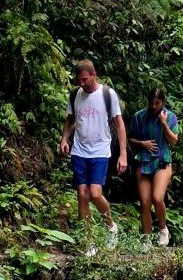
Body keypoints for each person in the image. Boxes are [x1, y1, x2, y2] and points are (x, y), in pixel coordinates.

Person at [59, 60, 127, 256]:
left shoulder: (107, 94)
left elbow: (119, 125)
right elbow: (70, 120)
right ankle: (88, 243)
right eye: (79, 80)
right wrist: (64, 139)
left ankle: (111, 226)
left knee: (95, 194)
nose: (81, 83)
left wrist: (123, 154)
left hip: (99, 150)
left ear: (94, 74)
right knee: (82, 194)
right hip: (79, 150)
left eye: (85, 79)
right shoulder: (74, 95)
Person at [128, 87, 179, 246]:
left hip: (163, 160)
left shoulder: (170, 116)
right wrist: (142, 143)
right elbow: (131, 138)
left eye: (157, 103)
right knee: (145, 201)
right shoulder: (139, 116)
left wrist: (164, 124)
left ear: (163, 102)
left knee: (157, 197)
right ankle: (146, 238)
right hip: (143, 160)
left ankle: (163, 229)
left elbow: (173, 142)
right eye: (152, 103)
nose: (154, 106)